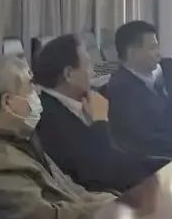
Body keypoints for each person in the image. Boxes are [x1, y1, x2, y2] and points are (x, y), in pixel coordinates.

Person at [0, 55, 115, 219]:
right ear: (8, 103)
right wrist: (101, 207)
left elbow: (66, 188)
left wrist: (105, 199)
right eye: (30, 86)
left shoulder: (19, 138)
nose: (37, 92)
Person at [34, 35, 152, 193]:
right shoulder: (49, 118)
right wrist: (100, 122)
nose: (93, 72)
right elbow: (100, 170)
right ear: (69, 74)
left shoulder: (80, 102)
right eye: (88, 65)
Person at [105, 20, 172, 158]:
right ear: (132, 53)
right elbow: (145, 141)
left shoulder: (151, 80)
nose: (159, 54)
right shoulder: (122, 89)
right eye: (152, 48)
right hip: (160, 161)